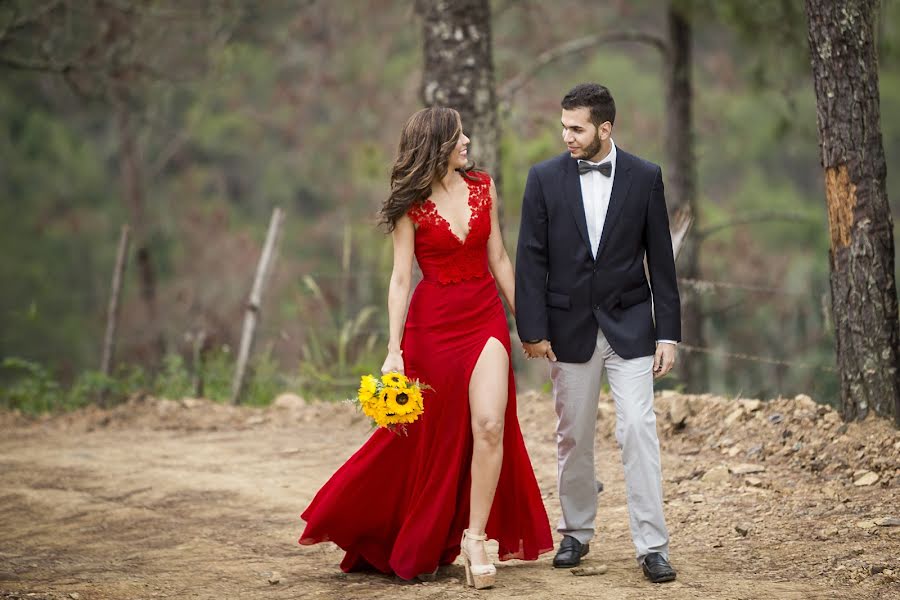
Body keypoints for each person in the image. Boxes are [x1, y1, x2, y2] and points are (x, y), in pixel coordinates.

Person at [299, 106, 552, 588]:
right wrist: (393, 350)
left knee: (490, 424)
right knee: (426, 440)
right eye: (459, 136)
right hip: (432, 325)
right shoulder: (408, 205)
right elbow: (399, 279)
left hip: (484, 317)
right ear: (438, 145)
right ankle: (389, 522)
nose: (467, 141)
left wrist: (530, 326)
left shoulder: (484, 187)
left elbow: (498, 256)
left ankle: (474, 537)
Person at [515, 83, 681, 584]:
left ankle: (652, 545)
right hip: (567, 330)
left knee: (637, 429)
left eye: (576, 128)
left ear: (604, 129)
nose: (566, 135)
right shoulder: (543, 178)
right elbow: (530, 258)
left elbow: (661, 261)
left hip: (631, 325)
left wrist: (667, 334)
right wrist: (533, 329)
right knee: (574, 435)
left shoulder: (645, 176)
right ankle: (576, 533)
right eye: (563, 126)